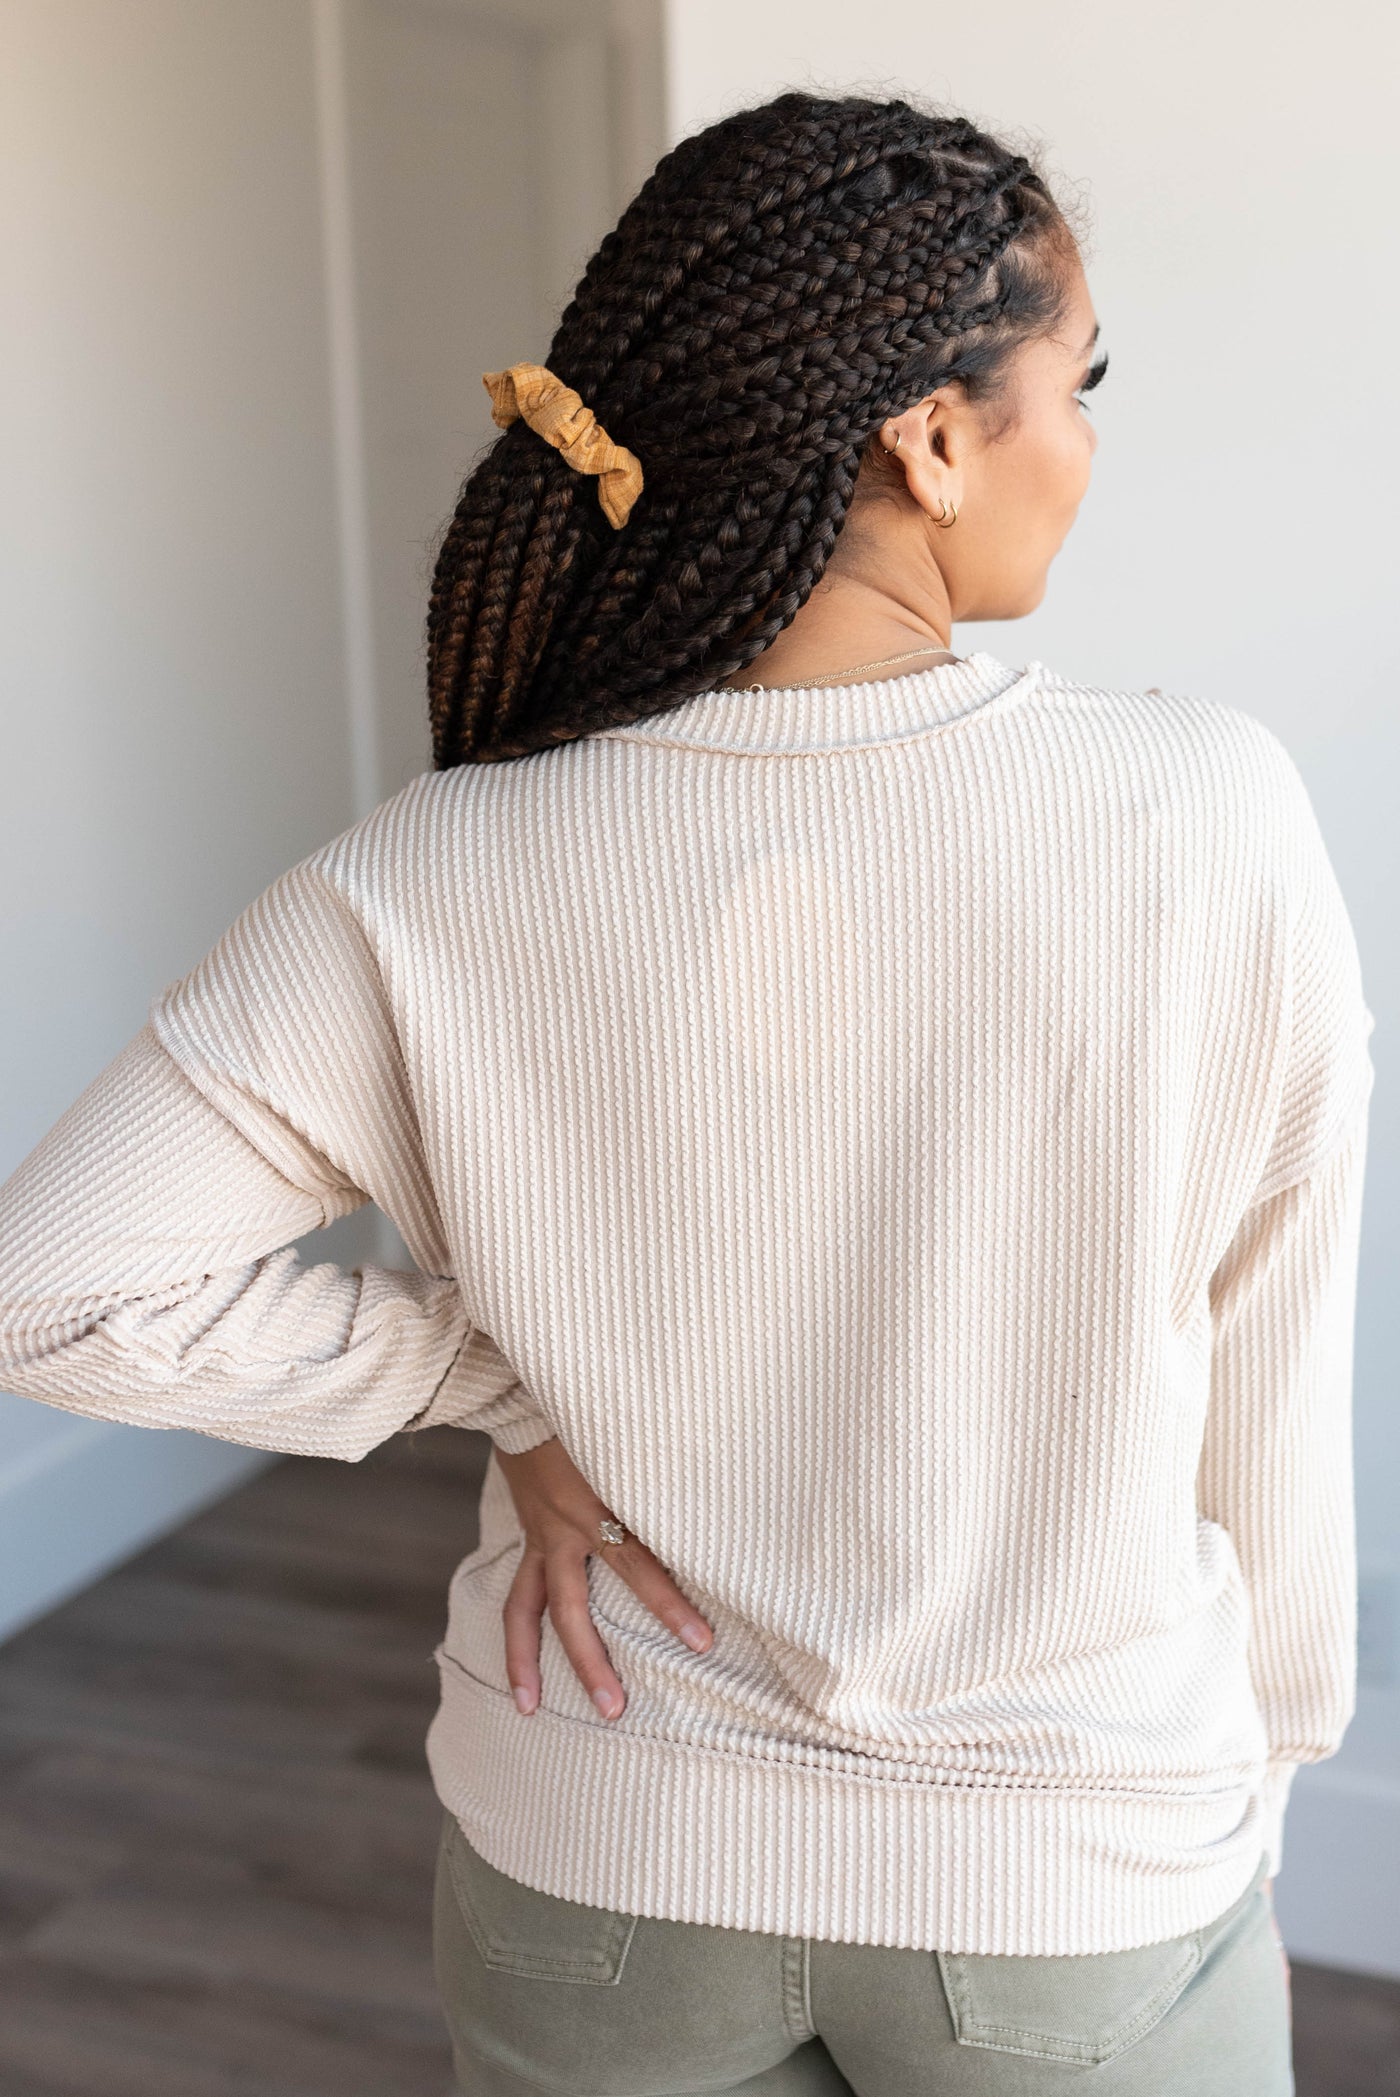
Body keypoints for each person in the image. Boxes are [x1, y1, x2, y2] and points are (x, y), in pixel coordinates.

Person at [0, 88, 1373, 2096]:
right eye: (1077, 385)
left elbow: (55, 1283)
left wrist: (503, 1380)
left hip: (602, 1857)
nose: (1083, 444)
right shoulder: (1203, 810)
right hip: (1073, 1878)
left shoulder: (431, 868)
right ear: (930, 437)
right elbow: (1270, 1362)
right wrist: (1249, 1779)